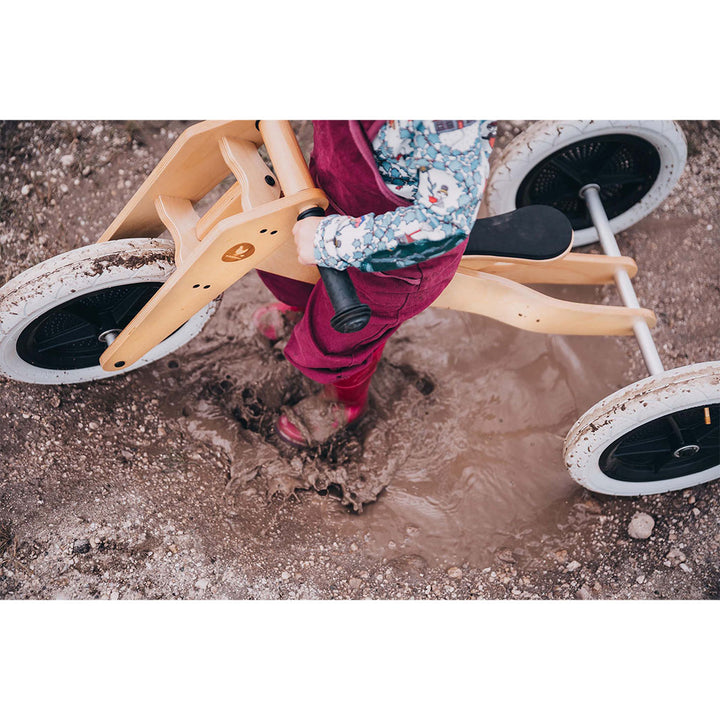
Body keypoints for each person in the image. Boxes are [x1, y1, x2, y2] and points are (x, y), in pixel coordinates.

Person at [254, 120, 496, 447]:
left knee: (342, 336)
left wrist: (332, 240)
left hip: (394, 262)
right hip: (328, 193)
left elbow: (445, 223)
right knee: (286, 269)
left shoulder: (447, 121)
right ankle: (302, 308)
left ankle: (345, 400)